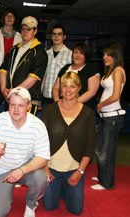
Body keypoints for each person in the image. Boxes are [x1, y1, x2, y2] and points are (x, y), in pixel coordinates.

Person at [0, 87, 50, 217]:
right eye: (12, 104)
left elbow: (43, 157)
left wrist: (22, 171)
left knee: (41, 178)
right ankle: (6, 191)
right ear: (8, 105)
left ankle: (31, 204)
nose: (15, 109)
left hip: (24, 167)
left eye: (20, 105)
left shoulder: (37, 125)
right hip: (1, 169)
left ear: (28, 106)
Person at [41, 71, 96, 215]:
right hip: (51, 168)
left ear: (79, 88)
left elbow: (90, 147)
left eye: (72, 86)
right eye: (64, 86)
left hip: (74, 169)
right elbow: (40, 142)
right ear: (60, 89)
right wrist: (44, 167)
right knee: (49, 206)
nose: (68, 90)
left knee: (76, 210)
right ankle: (60, 188)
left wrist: (80, 172)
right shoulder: (49, 110)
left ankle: (65, 188)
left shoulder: (88, 114)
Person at [91, 42, 126, 190]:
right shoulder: (110, 70)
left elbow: (116, 96)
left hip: (112, 116)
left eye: (108, 55)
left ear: (115, 56)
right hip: (106, 116)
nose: (104, 57)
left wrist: (100, 105)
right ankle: (102, 175)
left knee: (108, 151)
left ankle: (107, 183)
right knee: (100, 148)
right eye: (104, 54)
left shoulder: (118, 70)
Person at [0, 16, 48, 116]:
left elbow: (34, 77)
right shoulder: (13, 49)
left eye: (29, 29)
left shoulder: (39, 51)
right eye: (23, 29)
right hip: (10, 98)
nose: (25, 32)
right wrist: (4, 89)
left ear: (35, 31)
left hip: (28, 100)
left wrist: (15, 90)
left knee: (25, 129)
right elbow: (3, 70)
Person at [0, 7, 22, 120]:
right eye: (7, 16)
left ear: (15, 19)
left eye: (12, 16)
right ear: (3, 18)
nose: (9, 18)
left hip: (11, 79)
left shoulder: (20, 37)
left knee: (10, 111)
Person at [52, 42, 100, 110]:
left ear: (86, 56)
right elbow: (56, 88)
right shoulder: (65, 68)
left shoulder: (91, 70)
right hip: (62, 108)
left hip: (83, 109)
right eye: (75, 52)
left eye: (81, 53)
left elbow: (91, 92)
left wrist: (72, 103)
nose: (77, 55)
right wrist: (57, 101)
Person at [41, 23, 72, 107]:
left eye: (59, 34)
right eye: (54, 34)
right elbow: (43, 76)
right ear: (51, 37)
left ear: (64, 37)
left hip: (61, 98)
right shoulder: (46, 54)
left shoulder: (70, 54)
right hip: (46, 97)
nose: (56, 36)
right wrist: (39, 96)